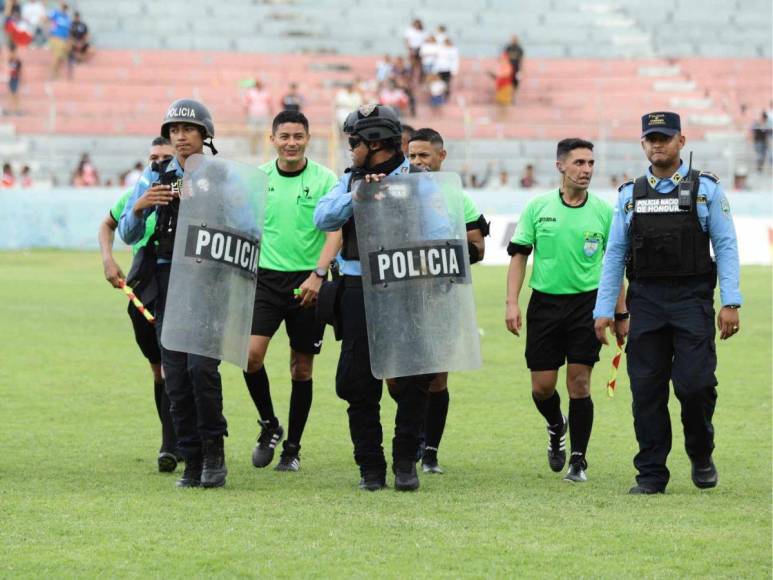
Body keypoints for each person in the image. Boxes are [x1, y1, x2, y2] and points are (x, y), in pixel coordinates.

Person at [593, 111, 742, 494]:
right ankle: (651, 474)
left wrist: (731, 301)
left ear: (681, 141)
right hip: (646, 302)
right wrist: (604, 309)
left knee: (695, 386)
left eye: (665, 137)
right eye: (651, 138)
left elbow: (725, 245)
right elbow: (614, 255)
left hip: (692, 299)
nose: (657, 144)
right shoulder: (630, 195)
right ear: (643, 144)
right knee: (646, 390)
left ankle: (700, 451)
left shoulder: (706, 189)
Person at [313, 104, 436, 492]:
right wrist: (359, 196)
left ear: (375, 142)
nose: (350, 148)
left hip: (406, 287)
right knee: (358, 382)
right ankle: (370, 466)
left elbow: (438, 231)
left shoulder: (420, 180)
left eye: (354, 141)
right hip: (357, 290)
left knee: (415, 378)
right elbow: (323, 219)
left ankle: (405, 463)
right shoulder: (349, 179)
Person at [118, 99, 229, 489]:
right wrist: (139, 209)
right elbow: (128, 235)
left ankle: (215, 454)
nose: (180, 137)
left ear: (204, 135)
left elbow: (243, 228)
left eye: (188, 130)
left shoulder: (221, 177)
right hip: (167, 284)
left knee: (202, 369)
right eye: (174, 131)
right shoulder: (154, 177)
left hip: (208, 283)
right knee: (176, 374)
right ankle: (192, 460)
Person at [506, 138, 624, 483]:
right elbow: (518, 257)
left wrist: (620, 312)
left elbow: (615, 265)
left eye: (590, 163)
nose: (586, 170)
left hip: (588, 305)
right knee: (542, 387)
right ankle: (556, 425)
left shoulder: (604, 212)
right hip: (544, 304)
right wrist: (512, 302)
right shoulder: (537, 207)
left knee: (580, 383)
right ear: (560, 166)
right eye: (579, 163)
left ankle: (578, 459)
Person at [244, 111, 340, 472]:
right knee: (250, 356)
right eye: (284, 136)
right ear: (273, 140)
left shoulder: (325, 179)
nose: (291, 143)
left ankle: (293, 448)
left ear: (308, 139)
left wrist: (318, 275)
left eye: (298, 136)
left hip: (308, 282)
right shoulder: (258, 179)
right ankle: (270, 424)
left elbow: (335, 230)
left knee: (301, 368)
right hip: (265, 280)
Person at [407, 127, 489, 473]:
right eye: (411, 156)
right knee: (400, 376)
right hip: (403, 297)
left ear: (442, 156)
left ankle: (430, 451)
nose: (417, 162)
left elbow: (479, 249)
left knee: (437, 377)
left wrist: (438, 255)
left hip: (442, 296)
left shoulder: (460, 199)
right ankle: (411, 436)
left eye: (424, 155)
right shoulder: (397, 193)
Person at [98, 136, 177, 472]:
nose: (157, 163)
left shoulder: (186, 191)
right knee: (158, 369)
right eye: (153, 157)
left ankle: (172, 445)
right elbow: (109, 225)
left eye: (164, 157)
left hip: (174, 281)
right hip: (142, 285)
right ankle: (173, 437)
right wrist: (107, 259)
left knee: (176, 365)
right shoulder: (139, 191)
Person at [243, 79, 272, 155]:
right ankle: (253, 150)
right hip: (253, 115)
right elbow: (246, 104)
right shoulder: (250, 92)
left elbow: (270, 104)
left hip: (263, 115)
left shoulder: (266, 92)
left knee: (264, 133)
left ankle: (264, 151)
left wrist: (270, 114)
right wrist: (246, 115)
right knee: (252, 133)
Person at [47, 1, 71, 79]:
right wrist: (49, 30)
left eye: (65, 7)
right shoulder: (56, 13)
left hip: (63, 39)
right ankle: (52, 74)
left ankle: (56, 73)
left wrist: (68, 41)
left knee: (61, 57)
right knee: (56, 56)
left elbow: (68, 31)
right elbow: (46, 19)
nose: (64, 8)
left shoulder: (67, 18)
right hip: (56, 38)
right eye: (63, 6)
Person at [7, 46, 21, 115]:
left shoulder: (18, 61)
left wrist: (22, 79)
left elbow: (20, 71)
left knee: (15, 94)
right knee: (11, 94)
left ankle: (17, 109)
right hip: (11, 78)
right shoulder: (10, 60)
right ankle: (11, 109)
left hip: (16, 78)